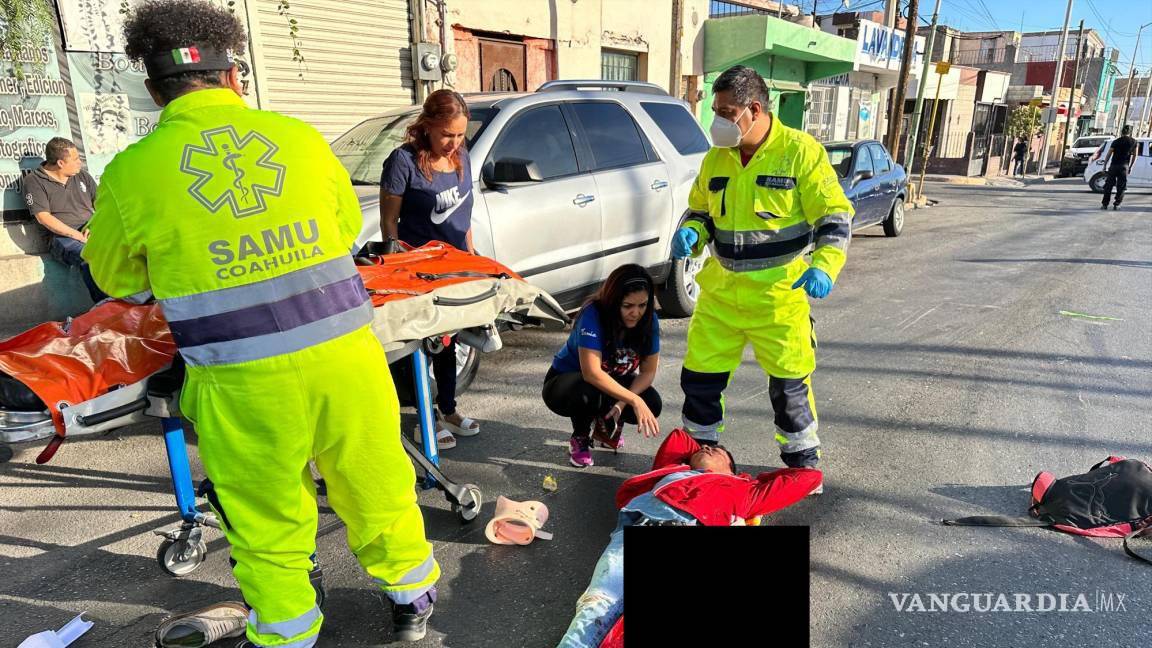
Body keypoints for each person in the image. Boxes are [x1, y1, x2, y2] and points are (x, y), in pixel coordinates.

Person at [82, 2, 439, 646]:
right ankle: (413, 598)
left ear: (153, 90)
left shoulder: (132, 172)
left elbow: (113, 277)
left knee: (266, 513)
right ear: (235, 78)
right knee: (375, 478)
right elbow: (337, 232)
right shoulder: (299, 139)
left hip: (240, 379)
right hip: (344, 357)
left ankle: (287, 631)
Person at [671, 65, 854, 475]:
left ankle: (802, 466)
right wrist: (692, 233)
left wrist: (825, 264)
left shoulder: (800, 152)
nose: (718, 120)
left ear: (754, 109)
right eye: (716, 110)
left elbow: (835, 215)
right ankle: (699, 460)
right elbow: (700, 210)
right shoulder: (717, 158)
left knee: (789, 388)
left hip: (778, 297)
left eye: (726, 111)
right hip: (721, 295)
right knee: (700, 380)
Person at [556, 428, 822, 647]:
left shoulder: (743, 490)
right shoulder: (671, 471)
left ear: (730, 468)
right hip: (630, 535)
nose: (704, 449)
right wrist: (701, 456)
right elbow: (678, 438)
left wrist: (749, 479)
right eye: (702, 449)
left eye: (714, 450)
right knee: (596, 606)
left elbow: (808, 476)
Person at [379, 89, 481, 448]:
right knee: (421, 345)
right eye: (446, 135)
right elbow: (389, 223)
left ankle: (448, 409)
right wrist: (397, 268)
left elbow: (464, 215)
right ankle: (425, 419)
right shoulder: (402, 162)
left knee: (448, 341)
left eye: (459, 135)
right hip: (416, 269)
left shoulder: (462, 158)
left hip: (453, 266)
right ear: (426, 127)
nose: (453, 142)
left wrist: (472, 261)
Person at [543, 264, 663, 468]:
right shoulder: (593, 314)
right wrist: (633, 399)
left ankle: (606, 429)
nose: (636, 312)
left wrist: (623, 403)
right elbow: (592, 373)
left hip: (613, 378)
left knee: (651, 402)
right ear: (614, 301)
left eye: (642, 305)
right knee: (589, 391)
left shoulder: (649, 319)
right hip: (568, 382)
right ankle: (580, 437)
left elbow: (648, 371)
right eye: (628, 306)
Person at [21, 137, 106, 302]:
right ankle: (106, 309)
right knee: (89, 258)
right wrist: (77, 235)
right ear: (60, 163)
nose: (79, 163)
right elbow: (43, 217)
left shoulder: (83, 176)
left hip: (91, 231)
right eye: (75, 159)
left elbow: (102, 205)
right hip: (62, 238)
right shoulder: (34, 181)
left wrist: (95, 225)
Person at [1100, 125, 1137, 211]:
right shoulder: (1134, 142)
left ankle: (1105, 204)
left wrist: (1105, 165)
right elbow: (1135, 156)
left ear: (1121, 132)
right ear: (1130, 132)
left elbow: (1109, 154)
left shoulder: (1116, 141)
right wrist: (1131, 166)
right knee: (1121, 186)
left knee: (1108, 185)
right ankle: (1117, 204)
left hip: (1114, 166)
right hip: (1124, 166)